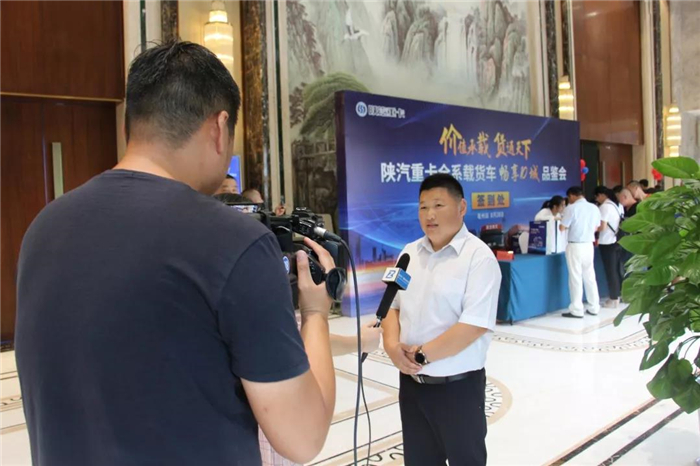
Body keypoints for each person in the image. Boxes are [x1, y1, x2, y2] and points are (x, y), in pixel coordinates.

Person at [15, 42, 337, 466]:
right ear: (219, 127)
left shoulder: (44, 228)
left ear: (132, 124)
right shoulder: (233, 240)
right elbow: (303, 438)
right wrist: (314, 313)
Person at [382, 173, 501, 466]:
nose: (429, 215)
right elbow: (391, 305)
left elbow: (473, 325)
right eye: (423, 207)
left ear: (462, 207)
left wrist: (422, 355)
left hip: (457, 390)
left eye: (438, 205)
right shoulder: (409, 253)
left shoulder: (479, 258)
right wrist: (392, 347)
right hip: (412, 386)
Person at [559, 186, 602, 318]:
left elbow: (562, 227)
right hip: (589, 245)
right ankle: (594, 306)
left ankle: (577, 309)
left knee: (575, 277)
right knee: (590, 276)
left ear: (572, 195)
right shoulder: (594, 208)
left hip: (575, 246)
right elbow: (597, 227)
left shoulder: (571, 208)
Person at [594, 186, 625, 308]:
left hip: (607, 242)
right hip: (617, 240)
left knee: (610, 270)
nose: (597, 199)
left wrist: (592, 229)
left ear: (602, 195)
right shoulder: (617, 205)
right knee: (616, 269)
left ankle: (613, 298)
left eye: (597, 197)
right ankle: (618, 295)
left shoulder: (605, 207)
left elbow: (603, 227)